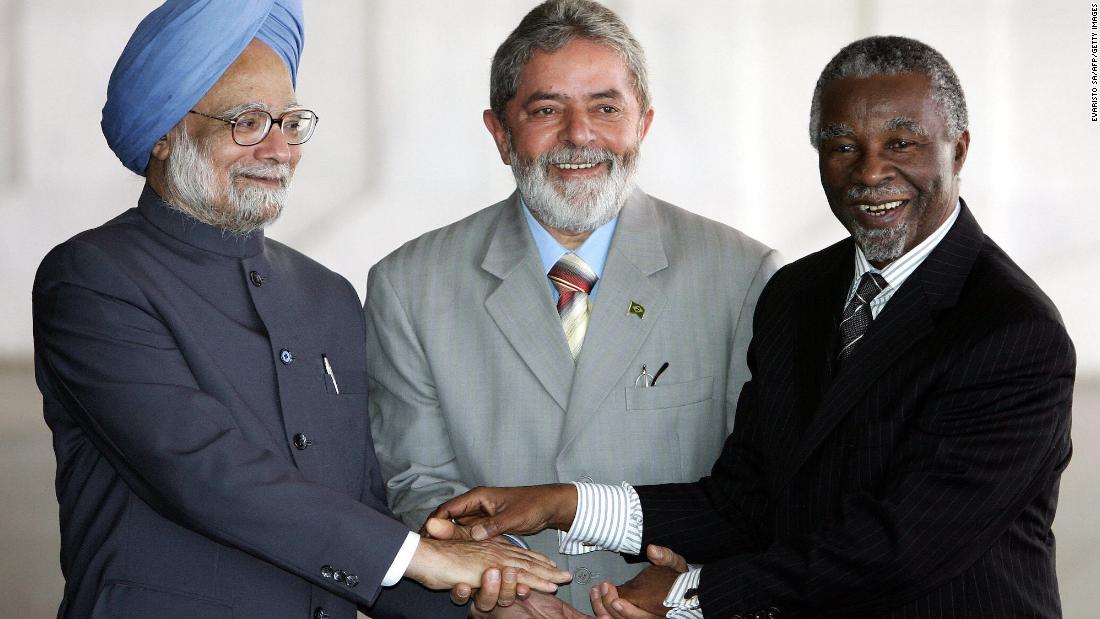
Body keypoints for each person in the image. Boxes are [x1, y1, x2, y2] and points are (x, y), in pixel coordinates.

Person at [429, 36, 1076, 618]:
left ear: (958, 148)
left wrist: (691, 595)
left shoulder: (1012, 332)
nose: (871, 170)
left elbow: (901, 545)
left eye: (901, 142)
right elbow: (747, 499)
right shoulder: (797, 293)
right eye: (843, 144)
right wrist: (565, 504)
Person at [32, 2, 568, 618]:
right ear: (163, 132)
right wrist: (425, 557)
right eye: (248, 121)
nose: (279, 149)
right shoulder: (94, 277)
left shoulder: (326, 294)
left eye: (290, 122)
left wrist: (489, 603)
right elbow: (202, 470)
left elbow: (364, 509)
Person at [363, 0, 778, 614]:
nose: (579, 134)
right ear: (500, 133)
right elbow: (417, 482)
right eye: (547, 109)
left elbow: (764, 489)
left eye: (606, 108)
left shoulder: (745, 276)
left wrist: (689, 587)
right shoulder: (407, 284)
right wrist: (500, 587)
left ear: (644, 123)